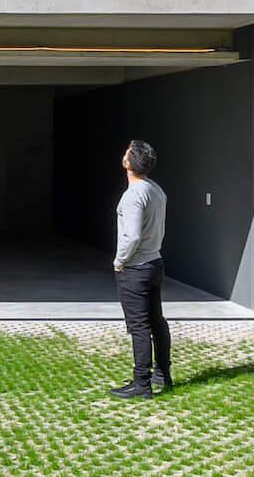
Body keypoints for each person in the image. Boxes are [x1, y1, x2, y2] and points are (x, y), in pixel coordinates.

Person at [108, 138, 172, 398]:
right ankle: (162, 374)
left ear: (128, 162)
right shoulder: (156, 189)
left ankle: (141, 384)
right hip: (155, 262)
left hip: (136, 268)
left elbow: (132, 236)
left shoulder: (134, 194)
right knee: (156, 321)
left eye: (127, 151)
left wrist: (119, 261)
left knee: (139, 326)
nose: (124, 153)